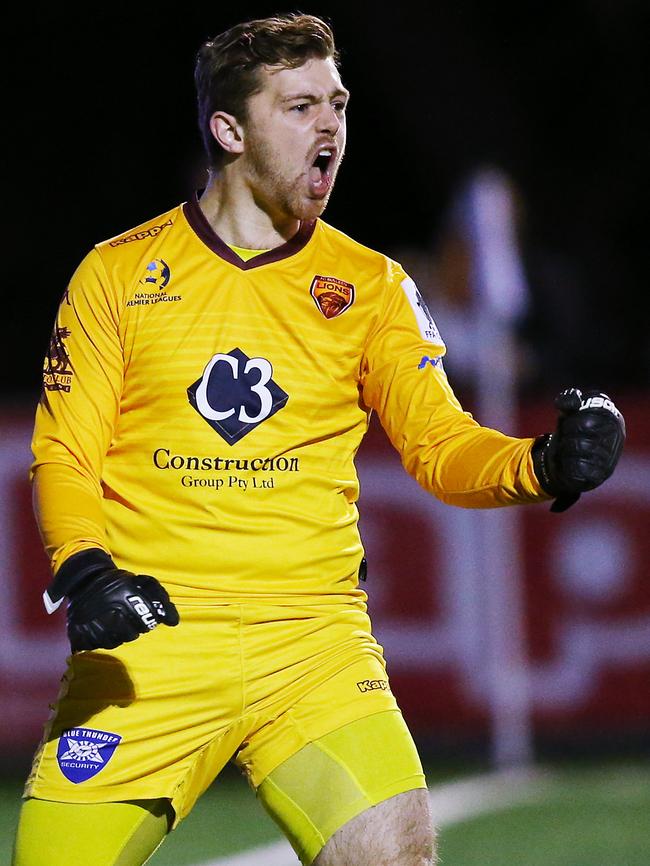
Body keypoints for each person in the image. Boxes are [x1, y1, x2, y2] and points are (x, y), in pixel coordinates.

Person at [12, 13, 625, 866]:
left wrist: (541, 463)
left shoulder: (370, 285)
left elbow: (443, 445)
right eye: (300, 106)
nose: (330, 124)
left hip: (312, 645)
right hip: (151, 649)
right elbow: (65, 454)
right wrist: (85, 571)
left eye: (337, 102)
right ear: (229, 129)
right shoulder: (117, 272)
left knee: (391, 857)